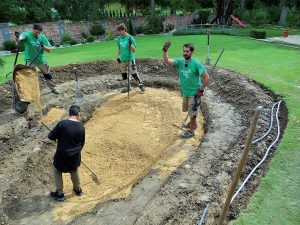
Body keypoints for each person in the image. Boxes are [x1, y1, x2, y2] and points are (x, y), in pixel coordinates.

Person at [162, 42, 209, 138]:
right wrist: (165, 50)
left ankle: (191, 131)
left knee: (193, 113)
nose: (185, 53)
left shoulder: (197, 64)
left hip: (195, 93)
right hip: (186, 92)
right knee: (189, 110)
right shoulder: (180, 62)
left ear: (192, 52)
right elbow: (167, 61)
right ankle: (194, 124)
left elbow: (206, 78)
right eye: (184, 51)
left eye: (187, 51)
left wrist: (201, 90)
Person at [48, 105, 85, 201]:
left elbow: (51, 136)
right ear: (78, 115)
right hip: (75, 156)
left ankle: (60, 194)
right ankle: (78, 190)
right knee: (74, 170)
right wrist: (76, 151)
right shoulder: (81, 126)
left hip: (62, 155)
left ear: (69, 114)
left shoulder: (62, 124)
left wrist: (56, 136)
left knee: (57, 171)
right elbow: (82, 143)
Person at [17, 24, 59, 94]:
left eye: (39, 33)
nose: (37, 34)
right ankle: (31, 92)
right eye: (36, 32)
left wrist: (43, 46)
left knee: (47, 75)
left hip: (41, 60)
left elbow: (49, 50)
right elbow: (22, 36)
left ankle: (53, 88)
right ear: (32, 29)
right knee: (29, 76)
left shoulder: (42, 37)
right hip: (30, 60)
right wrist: (20, 38)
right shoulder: (27, 34)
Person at [116, 23, 145, 93]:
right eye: (118, 31)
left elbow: (134, 50)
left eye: (120, 31)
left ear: (124, 30)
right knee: (124, 74)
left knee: (134, 73)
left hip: (130, 59)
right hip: (122, 60)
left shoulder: (130, 38)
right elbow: (119, 48)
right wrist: (117, 56)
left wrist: (130, 45)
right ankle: (128, 87)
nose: (119, 32)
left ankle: (140, 85)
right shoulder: (119, 38)